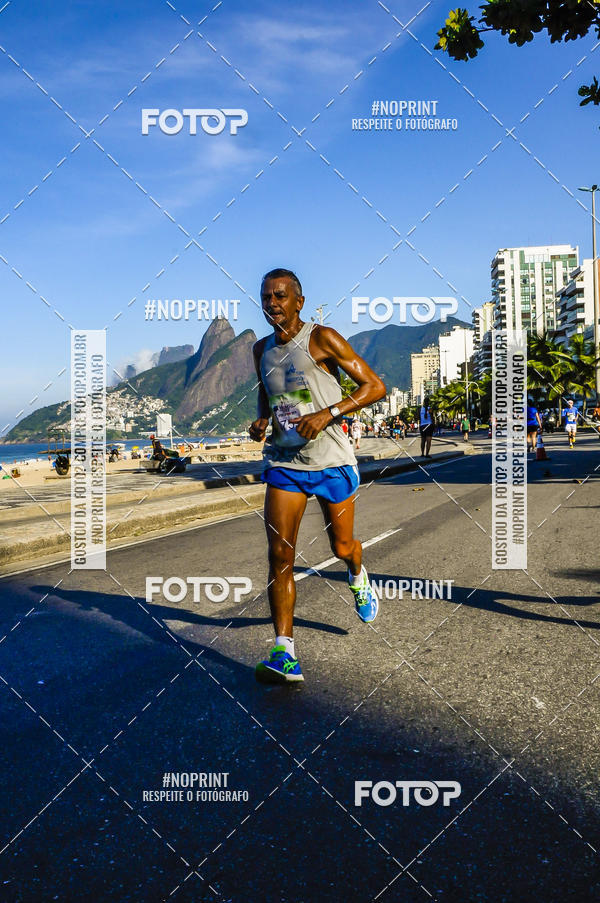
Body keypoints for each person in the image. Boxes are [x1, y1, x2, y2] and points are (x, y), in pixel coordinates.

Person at [249, 268, 386, 684]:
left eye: (280, 296)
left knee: (341, 545)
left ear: (298, 302)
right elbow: (267, 388)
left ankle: (356, 571)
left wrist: (327, 413)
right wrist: (261, 420)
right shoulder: (260, 349)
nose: (272, 304)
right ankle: (284, 651)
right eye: (266, 297)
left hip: (331, 460)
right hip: (286, 463)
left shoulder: (321, 338)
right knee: (280, 555)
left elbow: (374, 387)